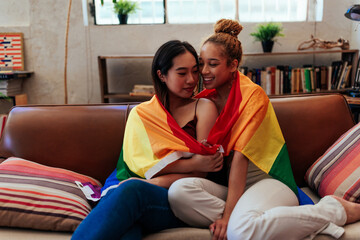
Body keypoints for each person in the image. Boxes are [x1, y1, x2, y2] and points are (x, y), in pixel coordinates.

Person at [168, 19, 360, 240]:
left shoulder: (252, 95)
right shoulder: (205, 99)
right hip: (233, 186)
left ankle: (333, 210)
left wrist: (228, 216)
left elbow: (240, 158)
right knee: (179, 194)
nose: (204, 71)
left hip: (267, 182)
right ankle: (264, 221)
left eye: (212, 64)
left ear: (233, 65)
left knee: (239, 231)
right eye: (201, 63)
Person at [72, 40, 222, 240]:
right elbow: (138, 164)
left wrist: (153, 182)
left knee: (133, 191)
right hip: (128, 187)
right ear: (161, 75)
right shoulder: (142, 115)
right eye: (181, 73)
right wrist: (192, 162)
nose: (191, 80)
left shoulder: (203, 107)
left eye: (195, 71)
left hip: (173, 197)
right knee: (126, 230)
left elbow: (200, 175)